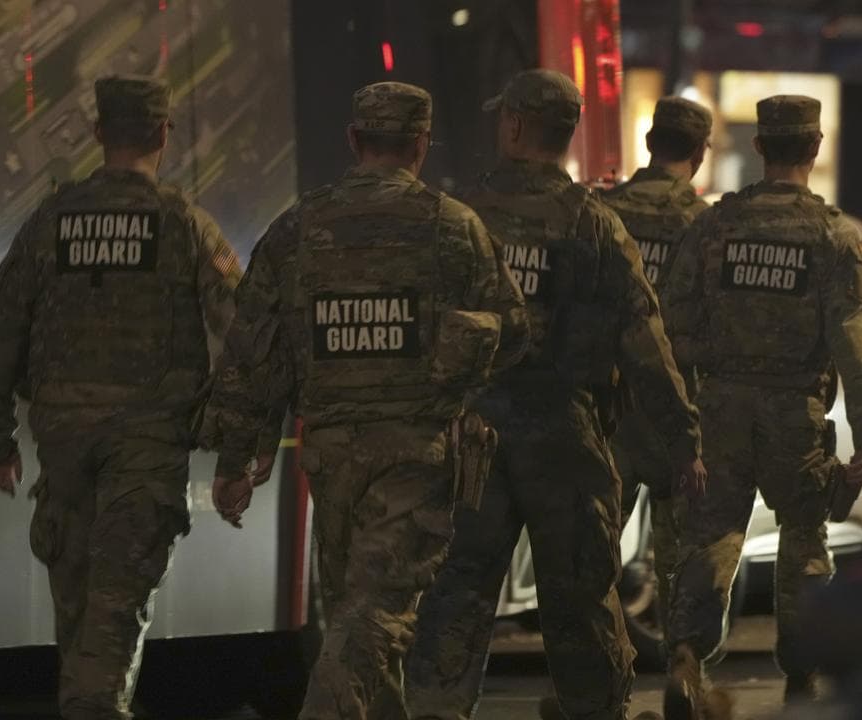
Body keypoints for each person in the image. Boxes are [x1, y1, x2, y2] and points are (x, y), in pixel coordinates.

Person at [201, 81, 529, 719]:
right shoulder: (454, 226)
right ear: (421, 144)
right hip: (415, 451)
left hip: (330, 454)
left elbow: (250, 351)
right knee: (376, 614)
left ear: (354, 140)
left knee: (359, 612)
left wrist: (236, 458)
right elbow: (513, 329)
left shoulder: (297, 227)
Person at [404, 69, 707, 720]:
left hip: (473, 435)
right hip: (565, 434)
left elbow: (417, 329)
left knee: (456, 593)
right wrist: (683, 441)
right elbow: (644, 341)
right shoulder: (594, 224)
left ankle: (434, 709)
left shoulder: (459, 217)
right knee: (579, 598)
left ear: (515, 125)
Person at [0, 75, 242, 720]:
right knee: (116, 606)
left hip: (63, 442)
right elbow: (244, 332)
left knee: (77, 607)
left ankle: (91, 704)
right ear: (164, 134)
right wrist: (238, 447)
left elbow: (4, 330)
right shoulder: (185, 222)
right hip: (147, 442)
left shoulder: (49, 220)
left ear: (97, 133)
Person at [658, 94, 862, 711]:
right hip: (795, 412)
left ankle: (686, 655)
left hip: (721, 403)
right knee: (804, 538)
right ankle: (802, 678)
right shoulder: (832, 235)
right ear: (816, 146)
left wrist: (707, 371)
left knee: (712, 533)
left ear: (758, 147)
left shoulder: (715, 225)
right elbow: (853, 341)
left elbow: (672, 320)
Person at [600, 95, 711, 652]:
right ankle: (682, 671)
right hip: (678, 405)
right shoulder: (705, 223)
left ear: (648, 143)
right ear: (700, 152)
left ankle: (595, 676)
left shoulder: (603, 212)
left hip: (609, 405)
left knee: (595, 551)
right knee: (679, 554)